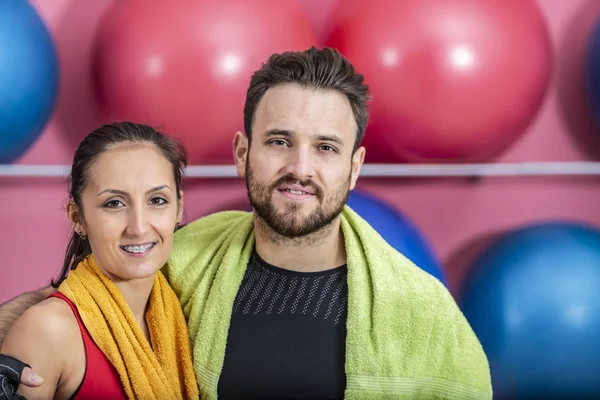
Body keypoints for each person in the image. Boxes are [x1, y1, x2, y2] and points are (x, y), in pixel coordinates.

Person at [0, 47, 492, 399]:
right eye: (279, 141)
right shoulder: (184, 264)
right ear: (243, 152)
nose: (300, 168)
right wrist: (18, 330)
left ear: (355, 166)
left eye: (325, 147)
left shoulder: (425, 313)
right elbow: (93, 301)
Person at [0, 122, 199, 399]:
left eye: (157, 200)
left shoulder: (191, 313)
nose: (138, 227)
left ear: (178, 207)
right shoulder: (48, 330)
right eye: (114, 203)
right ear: (77, 217)